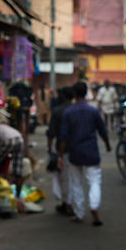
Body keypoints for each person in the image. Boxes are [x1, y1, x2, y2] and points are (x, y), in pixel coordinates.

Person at [58, 81, 111, 226]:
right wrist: (107, 145)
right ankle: (94, 206)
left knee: (76, 184)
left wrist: (60, 155)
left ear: (74, 94)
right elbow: (102, 130)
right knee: (94, 181)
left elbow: (63, 136)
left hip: (75, 153)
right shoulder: (93, 111)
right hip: (91, 152)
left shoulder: (68, 112)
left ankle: (79, 213)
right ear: (86, 92)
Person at [46, 86, 74, 215]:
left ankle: (66, 204)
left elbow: (51, 133)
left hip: (62, 149)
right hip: (76, 148)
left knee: (63, 177)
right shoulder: (76, 109)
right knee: (73, 178)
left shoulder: (57, 111)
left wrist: (50, 149)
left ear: (63, 96)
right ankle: (68, 203)